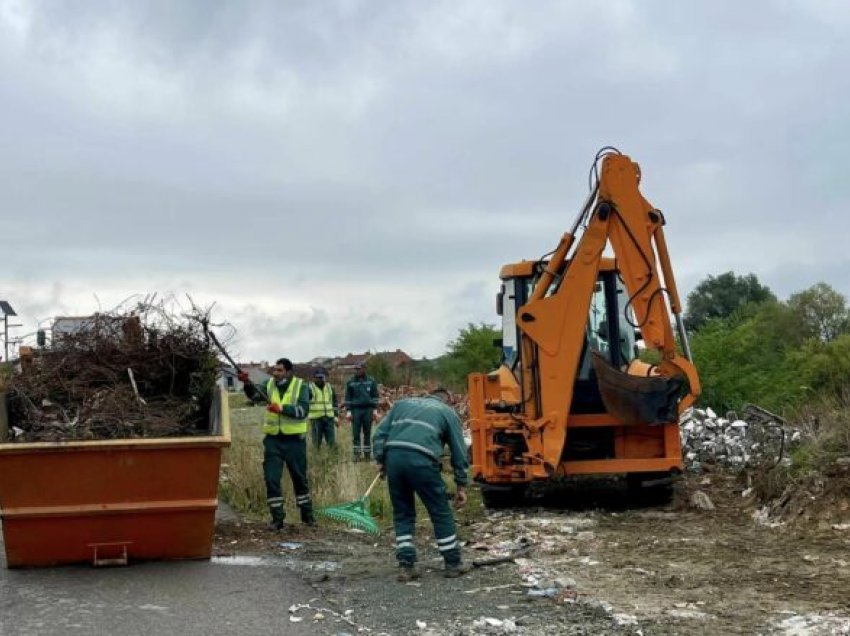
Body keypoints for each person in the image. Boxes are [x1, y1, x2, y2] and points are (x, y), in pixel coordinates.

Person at [372, 388, 471, 581]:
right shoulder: (447, 412)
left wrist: (381, 460)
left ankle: (406, 566)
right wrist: (461, 485)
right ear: (448, 400)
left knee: (402, 512)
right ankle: (452, 563)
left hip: (395, 458)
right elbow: (459, 452)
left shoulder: (402, 405)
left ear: (427, 396)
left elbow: (379, 434)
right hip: (422, 461)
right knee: (439, 510)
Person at [238, 358, 316, 530]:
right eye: (275, 370)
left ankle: (308, 517)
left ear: (288, 372)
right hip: (273, 441)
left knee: (300, 479)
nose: (275, 373)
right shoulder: (269, 384)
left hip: (295, 441)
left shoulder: (301, 386)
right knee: (271, 479)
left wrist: (282, 409)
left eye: (280, 370)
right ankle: (277, 519)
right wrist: (246, 384)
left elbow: (303, 411)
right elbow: (256, 396)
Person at [343, 363, 379, 461]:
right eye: (356, 369)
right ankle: (357, 455)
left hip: (368, 410)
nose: (357, 371)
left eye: (359, 369)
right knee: (356, 433)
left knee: (367, 433)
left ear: (364, 369)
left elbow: (375, 396)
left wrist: (375, 410)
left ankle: (367, 455)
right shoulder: (350, 382)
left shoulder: (371, 381)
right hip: (356, 410)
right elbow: (348, 397)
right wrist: (348, 411)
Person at [308, 368, 338, 448]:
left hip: (329, 418)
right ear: (314, 378)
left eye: (321, 377)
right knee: (316, 441)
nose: (320, 379)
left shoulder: (329, 388)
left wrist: (336, 416)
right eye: (318, 377)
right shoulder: (309, 388)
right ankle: (317, 457)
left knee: (331, 441)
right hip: (316, 419)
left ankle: (332, 457)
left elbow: (334, 403)